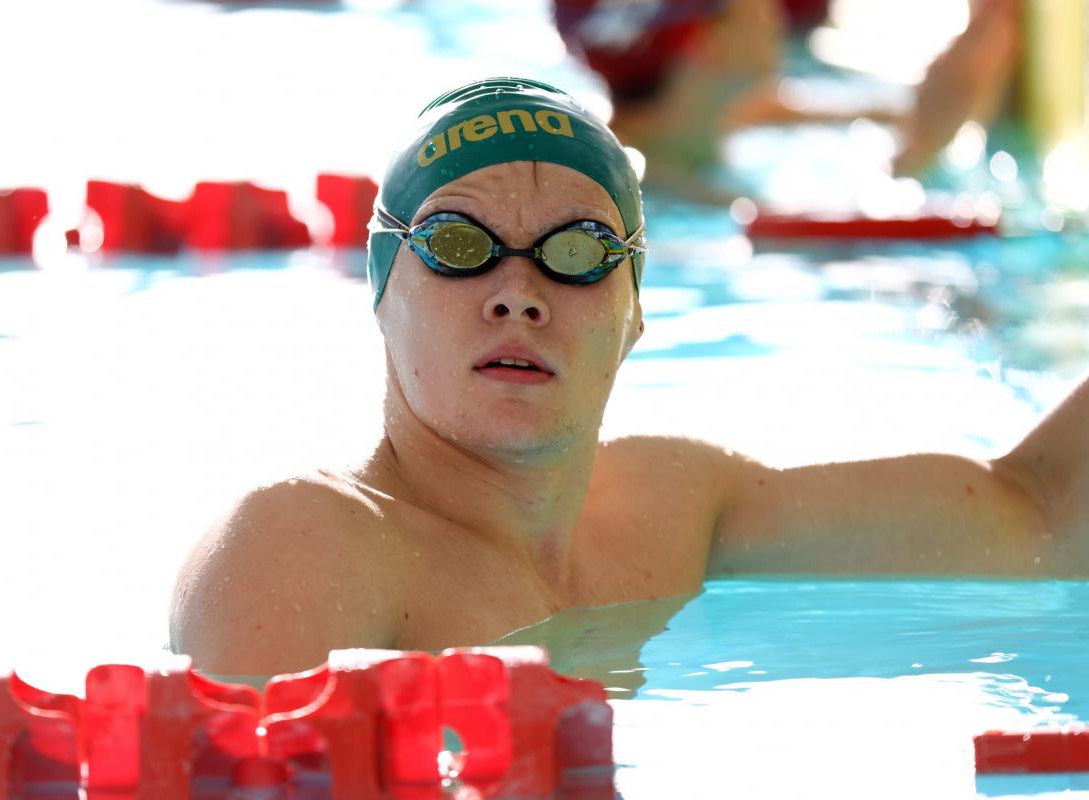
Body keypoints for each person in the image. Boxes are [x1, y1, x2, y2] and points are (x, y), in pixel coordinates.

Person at [169, 78, 1087, 680]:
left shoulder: (670, 508)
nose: (518, 295)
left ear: (636, 312)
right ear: (380, 290)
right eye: (458, 245)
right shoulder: (302, 545)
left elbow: (1038, 516)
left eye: (577, 252)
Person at [552, 0, 1021, 187]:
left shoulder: (683, 130)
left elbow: (871, 114)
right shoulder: (667, 186)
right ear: (710, 39)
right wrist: (921, 153)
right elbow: (855, 234)